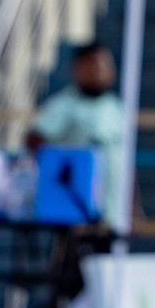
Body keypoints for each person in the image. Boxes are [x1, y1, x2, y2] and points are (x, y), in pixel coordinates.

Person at [27, 42, 127, 224]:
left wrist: (134, 210)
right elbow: (34, 139)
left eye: (105, 64)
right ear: (77, 69)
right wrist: (69, 161)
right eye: (94, 64)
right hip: (78, 216)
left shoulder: (115, 107)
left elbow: (121, 160)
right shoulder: (65, 104)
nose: (100, 70)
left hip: (112, 216)